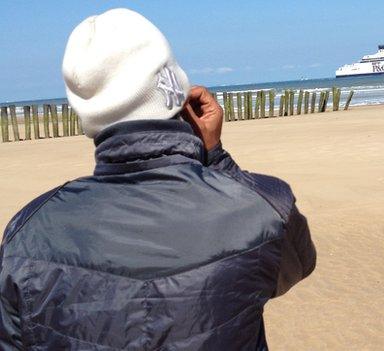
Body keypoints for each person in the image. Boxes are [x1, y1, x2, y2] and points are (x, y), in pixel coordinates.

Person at [0, 8, 315, 350]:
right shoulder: (262, 208)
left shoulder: (28, 234)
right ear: (173, 87)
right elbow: (296, 264)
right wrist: (216, 157)